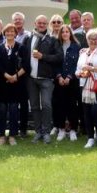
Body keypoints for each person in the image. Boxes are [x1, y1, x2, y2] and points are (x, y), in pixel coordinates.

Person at [23, 15, 63, 144]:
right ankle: (38, 131)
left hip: (46, 79)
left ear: (47, 25)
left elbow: (59, 57)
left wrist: (43, 56)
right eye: (39, 23)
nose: (41, 25)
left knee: (46, 105)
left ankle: (46, 132)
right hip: (31, 79)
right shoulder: (28, 38)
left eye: (44, 23)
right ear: (35, 23)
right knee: (34, 106)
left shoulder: (52, 39)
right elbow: (23, 56)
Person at [0, 23, 29, 146]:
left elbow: (26, 65)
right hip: (2, 84)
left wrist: (15, 76)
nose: (10, 33)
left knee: (14, 110)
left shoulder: (21, 48)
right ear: (4, 33)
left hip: (16, 84)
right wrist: (7, 76)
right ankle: (2, 135)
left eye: (12, 31)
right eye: (7, 32)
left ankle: (13, 135)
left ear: (15, 33)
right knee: (1, 110)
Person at [75, 29, 97, 149]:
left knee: (96, 112)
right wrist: (80, 73)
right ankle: (90, 138)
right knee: (87, 113)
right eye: (91, 39)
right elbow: (77, 69)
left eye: (96, 39)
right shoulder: (83, 53)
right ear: (87, 40)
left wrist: (91, 69)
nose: (93, 41)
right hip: (84, 85)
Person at [53, 25, 81, 141]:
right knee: (60, 105)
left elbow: (77, 64)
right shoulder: (56, 46)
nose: (65, 34)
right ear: (60, 34)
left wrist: (69, 77)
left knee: (72, 105)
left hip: (72, 81)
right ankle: (61, 130)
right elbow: (55, 63)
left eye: (67, 32)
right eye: (62, 32)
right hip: (59, 81)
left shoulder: (76, 46)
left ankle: (73, 130)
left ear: (70, 33)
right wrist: (59, 77)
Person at [12, 11, 31, 136]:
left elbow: (27, 57)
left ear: (23, 21)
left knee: (24, 103)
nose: (18, 21)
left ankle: (23, 129)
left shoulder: (28, 36)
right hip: (10, 76)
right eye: (16, 20)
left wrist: (19, 73)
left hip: (23, 75)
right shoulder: (8, 35)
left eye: (20, 19)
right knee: (13, 103)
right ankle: (13, 128)